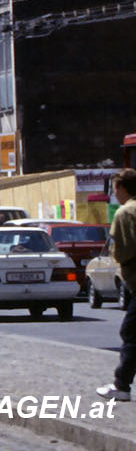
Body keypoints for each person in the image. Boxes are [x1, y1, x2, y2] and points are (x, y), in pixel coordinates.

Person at [96, 169, 136, 402]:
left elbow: (121, 252)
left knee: (130, 333)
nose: (114, 195)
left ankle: (121, 385)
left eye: (114, 190)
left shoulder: (125, 213)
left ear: (122, 188)